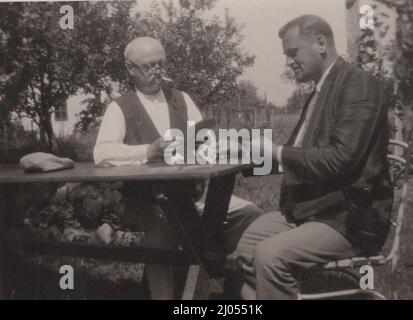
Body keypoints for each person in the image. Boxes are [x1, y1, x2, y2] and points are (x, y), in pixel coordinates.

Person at [236, 15, 393, 299]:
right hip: (312, 211)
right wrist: (240, 156)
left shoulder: (359, 84)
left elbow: (340, 158)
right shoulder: (319, 92)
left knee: (270, 256)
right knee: (245, 249)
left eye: (292, 53)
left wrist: (274, 150)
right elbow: (297, 156)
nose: (288, 62)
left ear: (320, 43)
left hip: (349, 218)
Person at [93, 37, 262, 299]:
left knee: (250, 214)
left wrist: (214, 147)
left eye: (161, 64)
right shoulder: (120, 108)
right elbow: (102, 153)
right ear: (130, 69)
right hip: (147, 202)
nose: (158, 71)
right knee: (163, 233)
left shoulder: (181, 99)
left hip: (193, 196)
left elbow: (206, 141)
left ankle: (226, 281)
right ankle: (167, 296)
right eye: (149, 66)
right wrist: (148, 151)